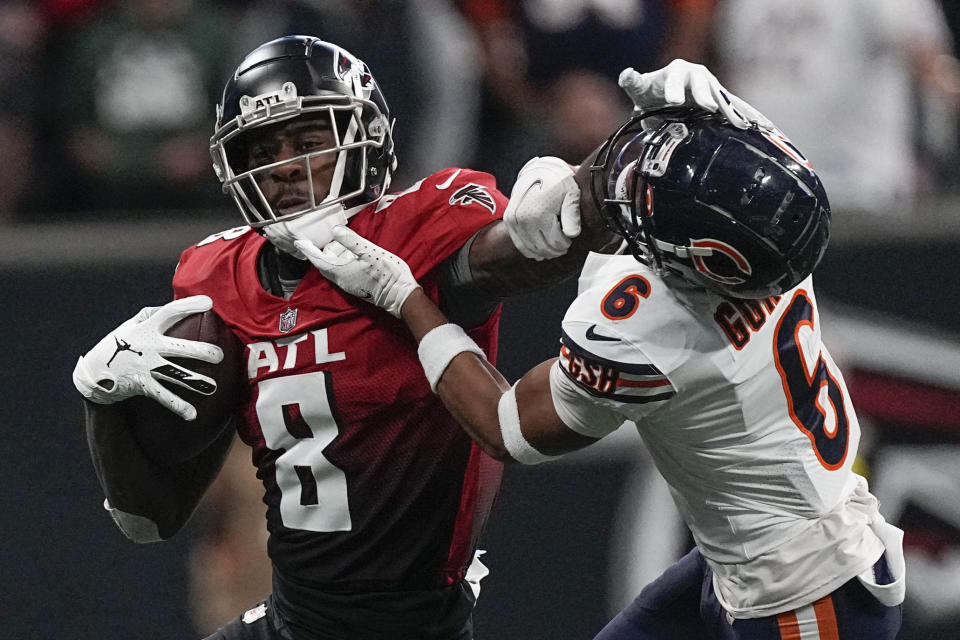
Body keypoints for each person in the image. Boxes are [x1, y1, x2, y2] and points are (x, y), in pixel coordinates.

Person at [71, 35, 760, 639]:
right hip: (291, 618)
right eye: (264, 148)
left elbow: (525, 247)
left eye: (308, 139)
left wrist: (622, 163)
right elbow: (145, 520)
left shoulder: (417, 230)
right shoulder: (215, 275)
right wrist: (105, 406)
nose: (284, 165)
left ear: (366, 136)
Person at [295, 105, 907, 638]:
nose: (637, 191)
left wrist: (405, 299)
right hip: (766, 547)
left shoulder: (645, 330)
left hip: (802, 597)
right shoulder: (776, 228)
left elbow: (506, 426)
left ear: (702, 263)